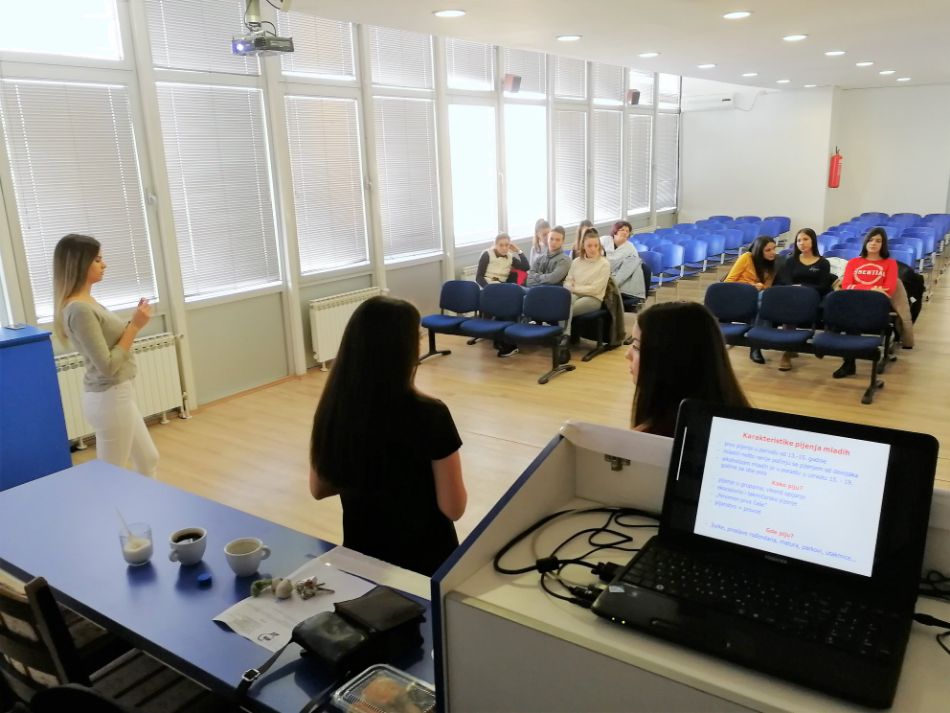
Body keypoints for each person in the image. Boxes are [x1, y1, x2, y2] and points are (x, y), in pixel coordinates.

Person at [309, 296, 466, 576]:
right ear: (407, 350)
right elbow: (454, 508)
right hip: (427, 563)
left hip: (364, 560)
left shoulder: (335, 408)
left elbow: (319, 489)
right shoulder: (432, 415)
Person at [52, 234, 159, 477]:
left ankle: (146, 501)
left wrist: (134, 322)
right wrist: (135, 326)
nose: (104, 265)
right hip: (110, 398)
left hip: (118, 395)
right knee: (110, 477)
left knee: (148, 459)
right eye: (98, 260)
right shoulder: (80, 309)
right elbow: (108, 366)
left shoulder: (87, 302)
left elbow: (111, 344)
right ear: (80, 264)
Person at [626, 301, 750, 437]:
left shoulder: (650, 438)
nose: (627, 355)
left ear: (670, 360)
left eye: (636, 347)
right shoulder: (741, 421)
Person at [833, 227, 901, 379]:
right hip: (854, 303)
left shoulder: (890, 263)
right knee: (850, 319)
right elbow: (846, 285)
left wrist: (859, 287)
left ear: (883, 244)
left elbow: (888, 290)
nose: (873, 243)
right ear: (865, 243)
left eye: (878, 241)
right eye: (870, 240)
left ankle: (852, 360)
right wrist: (873, 289)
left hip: (876, 305)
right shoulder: (853, 262)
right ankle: (849, 363)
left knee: (852, 319)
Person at [773, 228, 833, 371]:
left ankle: (792, 347)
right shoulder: (791, 261)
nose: (802, 243)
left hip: (813, 297)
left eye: (805, 239)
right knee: (789, 306)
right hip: (793, 296)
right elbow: (785, 280)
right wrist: (794, 287)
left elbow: (824, 286)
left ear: (813, 241)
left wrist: (804, 287)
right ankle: (787, 350)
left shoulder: (823, 263)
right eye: (799, 240)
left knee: (792, 306)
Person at [724, 235, 778, 364]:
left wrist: (760, 287)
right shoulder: (747, 257)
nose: (773, 253)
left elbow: (767, 287)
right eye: (768, 250)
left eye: (774, 249)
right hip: (738, 294)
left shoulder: (772, 264)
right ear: (759, 251)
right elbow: (728, 282)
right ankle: (759, 342)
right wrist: (751, 286)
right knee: (761, 301)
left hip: (757, 297)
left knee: (763, 300)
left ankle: (756, 343)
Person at [563, 229, 610, 345]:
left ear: (599, 246)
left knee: (566, 309)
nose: (593, 249)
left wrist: (575, 288)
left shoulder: (604, 264)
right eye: (589, 245)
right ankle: (565, 335)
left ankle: (564, 337)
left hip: (593, 298)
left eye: (596, 245)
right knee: (562, 305)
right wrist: (571, 287)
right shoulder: (576, 262)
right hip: (575, 294)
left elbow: (595, 289)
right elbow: (568, 281)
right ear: (583, 246)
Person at [601, 220, 645, 300]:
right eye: (622, 230)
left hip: (616, 275)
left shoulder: (630, 248)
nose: (625, 232)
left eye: (627, 231)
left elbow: (631, 266)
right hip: (600, 271)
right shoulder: (604, 240)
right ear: (615, 231)